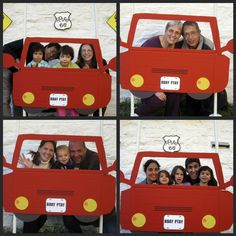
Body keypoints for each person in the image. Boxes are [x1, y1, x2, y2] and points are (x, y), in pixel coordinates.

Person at [63, 141, 116, 233]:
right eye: (72, 151)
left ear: (85, 149)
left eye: (79, 151)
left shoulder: (94, 157)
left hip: (97, 201)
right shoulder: (66, 159)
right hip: (77, 202)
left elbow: (88, 183)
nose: (76, 154)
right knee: (67, 219)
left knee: (111, 224)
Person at [135, 21, 183, 116]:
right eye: (171, 31)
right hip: (147, 83)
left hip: (165, 82)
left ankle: (172, 120)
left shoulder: (178, 47)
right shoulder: (151, 45)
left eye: (177, 32)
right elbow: (140, 70)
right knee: (157, 102)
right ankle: (137, 113)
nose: (173, 35)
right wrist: (155, 90)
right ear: (165, 31)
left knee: (176, 92)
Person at [180, 21, 227, 116]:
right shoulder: (180, 45)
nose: (190, 37)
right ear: (183, 36)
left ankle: (214, 106)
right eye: (186, 34)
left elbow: (212, 70)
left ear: (199, 32)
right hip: (189, 76)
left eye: (193, 33)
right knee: (190, 111)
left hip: (205, 76)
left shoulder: (208, 46)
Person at [3, 39, 61, 117]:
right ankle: (5, 120)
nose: (51, 55)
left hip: (19, 77)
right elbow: (5, 48)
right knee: (4, 98)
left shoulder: (44, 64)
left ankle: (17, 120)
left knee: (18, 99)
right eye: (52, 51)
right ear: (47, 46)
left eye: (54, 55)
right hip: (6, 68)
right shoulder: (31, 43)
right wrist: (17, 60)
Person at [18, 140, 57, 233]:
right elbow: (18, 178)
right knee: (32, 219)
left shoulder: (53, 165)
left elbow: (49, 181)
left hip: (42, 197)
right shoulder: (28, 158)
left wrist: (33, 168)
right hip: (27, 196)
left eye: (51, 150)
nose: (48, 152)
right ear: (39, 149)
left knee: (42, 218)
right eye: (45, 148)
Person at [76, 44, 109, 117]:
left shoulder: (101, 62)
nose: (86, 53)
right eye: (83, 51)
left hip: (98, 93)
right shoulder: (77, 65)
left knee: (100, 109)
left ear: (93, 52)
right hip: (83, 95)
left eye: (89, 50)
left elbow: (107, 81)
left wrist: (98, 73)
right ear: (80, 53)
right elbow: (76, 85)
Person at [53, 45, 80, 117]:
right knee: (61, 108)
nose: (65, 59)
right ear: (59, 57)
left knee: (73, 109)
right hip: (60, 90)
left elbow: (79, 78)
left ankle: (72, 111)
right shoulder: (55, 67)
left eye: (68, 57)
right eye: (62, 56)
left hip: (72, 90)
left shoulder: (75, 67)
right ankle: (60, 112)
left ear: (71, 58)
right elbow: (52, 79)